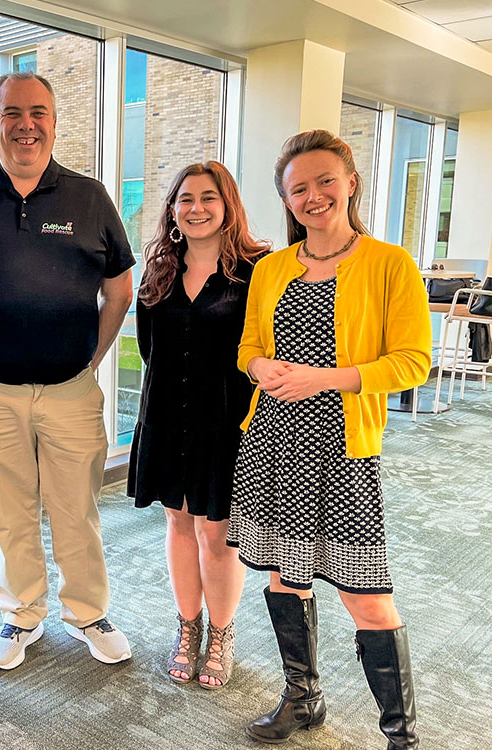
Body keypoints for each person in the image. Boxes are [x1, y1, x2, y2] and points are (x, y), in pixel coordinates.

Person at [0, 71, 136, 670]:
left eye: (38, 113)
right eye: (12, 114)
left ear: (54, 122)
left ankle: (88, 611)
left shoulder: (88, 199)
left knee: (77, 512)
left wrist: (94, 358)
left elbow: (119, 288)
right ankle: (20, 616)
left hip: (70, 391)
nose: (26, 125)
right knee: (10, 513)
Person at [227, 130, 429, 749]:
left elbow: (413, 362)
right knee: (285, 577)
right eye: (298, 189)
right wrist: (261, 368)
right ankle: (304, 695)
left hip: (343, 451)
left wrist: (325, 379)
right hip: (272, 441)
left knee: (365, 595)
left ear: (350, 183)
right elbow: (249, 349)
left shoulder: (389, 263)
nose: (312, 196)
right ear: (286, 200)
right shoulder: (271, 268)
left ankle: (401, 734)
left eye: (324, 182)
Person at [127, 162, 268, 689]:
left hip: (225, 421)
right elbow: (148, 348)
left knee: (218, 532)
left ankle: (223, 631)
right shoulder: (159, 270)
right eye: (185, 199)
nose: (196, 208)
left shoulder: (257, 271)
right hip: (166, 415)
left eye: (209, 198)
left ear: (228, 205)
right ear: (172, 210)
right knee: (178, 525)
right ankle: (187, 628)